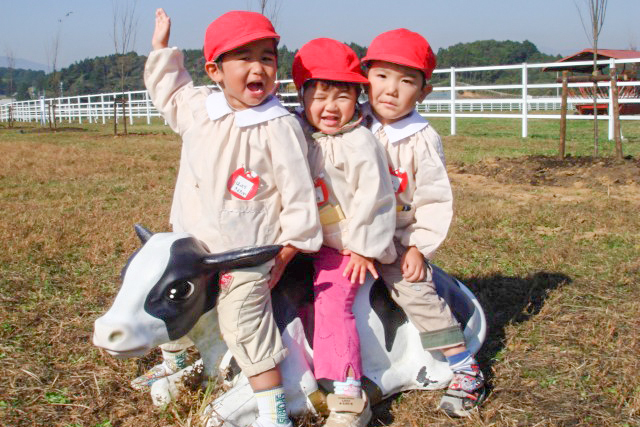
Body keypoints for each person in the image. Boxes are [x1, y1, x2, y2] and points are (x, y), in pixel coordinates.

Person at [142, 9, 323, 427]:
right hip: (192, 246)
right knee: (171, 299)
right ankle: (177, 359)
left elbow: (299, 195)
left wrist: (289, 249)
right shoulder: (201, 110)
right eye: (244, 57)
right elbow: (170, 91)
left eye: (267, 56)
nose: (258, 67)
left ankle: (272, 408)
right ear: (215, 70)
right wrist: (160, 49)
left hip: (246, 256)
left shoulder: (279, 127)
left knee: (244, 321)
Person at [361, 28, 486, 417]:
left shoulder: (421, 139)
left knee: (413, 288)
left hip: (394, 237)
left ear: (424, 92)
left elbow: (433, 200)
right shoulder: (351, 122)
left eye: (406, 81)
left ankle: (464, 367)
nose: (391, 90)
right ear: (365, 77)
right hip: (344, 233)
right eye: (381, 76)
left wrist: (417, 246)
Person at [291, 38, 397, 427]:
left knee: (333, 302)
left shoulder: (360, 143)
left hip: (343, 245)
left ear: (358, 98)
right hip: (305, 241)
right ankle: (301, 371)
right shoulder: (298, 135)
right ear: (303, 97)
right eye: (319, 96)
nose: (330, 107)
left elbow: (377, 200)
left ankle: (348, 390)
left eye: (342, 96)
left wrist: (363, 248)